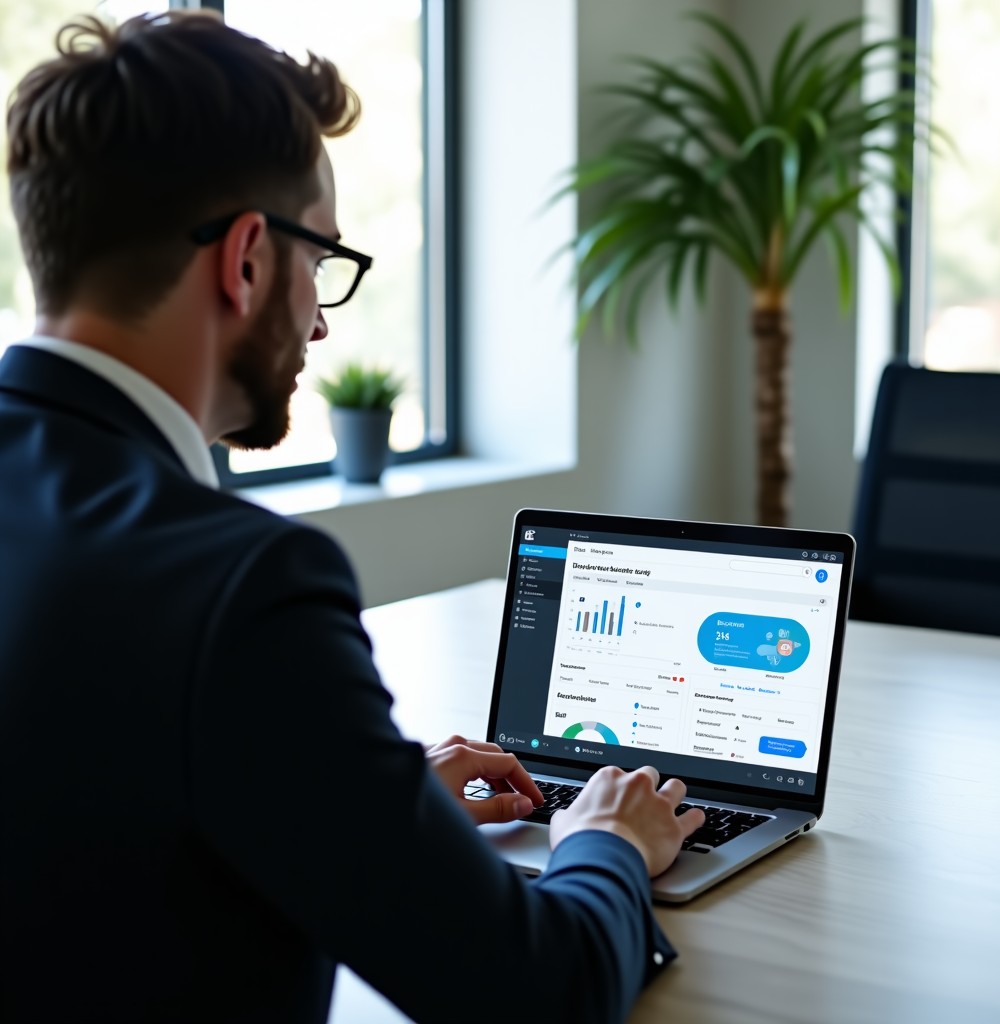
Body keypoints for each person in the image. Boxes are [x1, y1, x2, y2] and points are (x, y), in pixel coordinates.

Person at [0, 12, 705, 1023]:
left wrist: (354, 797)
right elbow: (540, 992)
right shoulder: (241, 587)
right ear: (245, 259)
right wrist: (608, 839)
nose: (322, 319)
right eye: (320, 261)